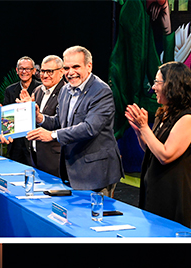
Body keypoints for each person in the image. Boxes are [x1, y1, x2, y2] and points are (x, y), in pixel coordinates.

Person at [27, 46, 123, 196]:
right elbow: (60, 121)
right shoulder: (66, 90)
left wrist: (52, 135)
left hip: (95, 173)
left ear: (89, 66)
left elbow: (90, 128)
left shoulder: (101, 91)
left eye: (76, 66)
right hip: (72, 170)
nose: (70, 72)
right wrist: (40, 117)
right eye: (67, 68)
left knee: (93, 218)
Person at [125, 61, 191, 227]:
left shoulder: (187, 118)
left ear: (172, 85)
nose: (153, 88)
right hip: (153, 189)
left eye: (157, 82)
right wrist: (139, 131)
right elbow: (151, 150)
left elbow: (166, 155)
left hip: (171, 194)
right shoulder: (164, 113)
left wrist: (145, 127)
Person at [29, 55, 65, 177]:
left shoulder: (66, 92)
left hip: (55, 158)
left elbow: (61, 123)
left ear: (61, 72)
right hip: (35, 156)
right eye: (42, 71)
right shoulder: (37, 90)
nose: (44, 75)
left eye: (50, 71)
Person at [3, 56, 41, 166]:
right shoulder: (10, 90)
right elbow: (6, 116)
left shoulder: (40, 89)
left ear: (34, 71)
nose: (24, 72)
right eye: (21, 69)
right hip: (15, 141)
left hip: (34, 141)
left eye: (28, 69)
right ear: (17, 70)